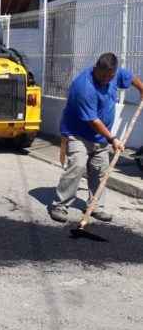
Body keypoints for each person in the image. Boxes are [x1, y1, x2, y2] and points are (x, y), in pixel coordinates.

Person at [49, 52, 143, 223]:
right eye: (103, 75)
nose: (106, 79)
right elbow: (93, 121)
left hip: (100, 137)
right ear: (96, 68)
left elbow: (129, 77)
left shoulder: (114, 74)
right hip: (78, 134)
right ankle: (60, 206)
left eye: (110, 76)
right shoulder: (83, 87)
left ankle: (95, 207)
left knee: (99, 172)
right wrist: (113, 139)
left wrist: (142, 89)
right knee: (77, 166)